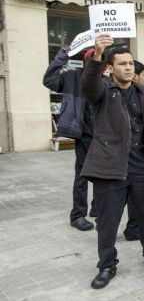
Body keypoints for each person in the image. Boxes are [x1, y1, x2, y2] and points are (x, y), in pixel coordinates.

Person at [80, 34, 144, 289]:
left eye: (130, 63)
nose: (128, 68)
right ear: (110, 68)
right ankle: (107, 265)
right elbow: (88, 85)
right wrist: (97, 55)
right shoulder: (102, 92)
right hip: (111, 169)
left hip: (142, 168)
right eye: (122, 64)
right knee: (108, 222)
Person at [43, 47, 96, 231]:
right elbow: (49, 80)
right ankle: (77, 215)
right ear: (85, 60)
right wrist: (61, 57)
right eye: (93, 57)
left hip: (104, 135)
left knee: (104, 173)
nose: (96, 61)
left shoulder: (106, 80)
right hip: (83, 134)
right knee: (82, 174)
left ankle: (97, 206)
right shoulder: (72, 77)